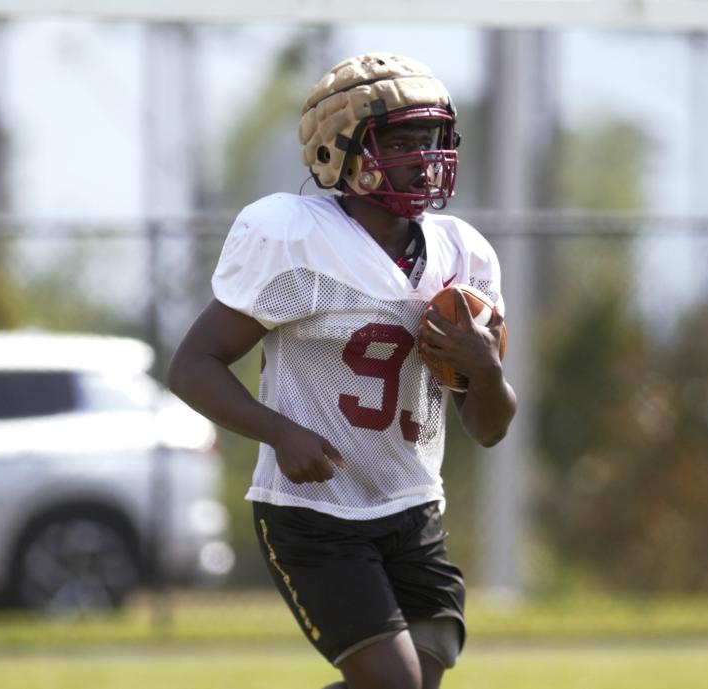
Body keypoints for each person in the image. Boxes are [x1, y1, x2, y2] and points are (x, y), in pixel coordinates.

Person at [168, 52, 516, 689]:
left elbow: (489, 429)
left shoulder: (463, 256)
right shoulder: (295, 238)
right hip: (314, 513)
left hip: (412, 505)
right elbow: (193, 365)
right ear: (341, 152)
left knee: (419, 672)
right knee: (395, 685)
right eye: (402, 141)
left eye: (432, 139)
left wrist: (486, 371)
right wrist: (280, 432)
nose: (424, 157)